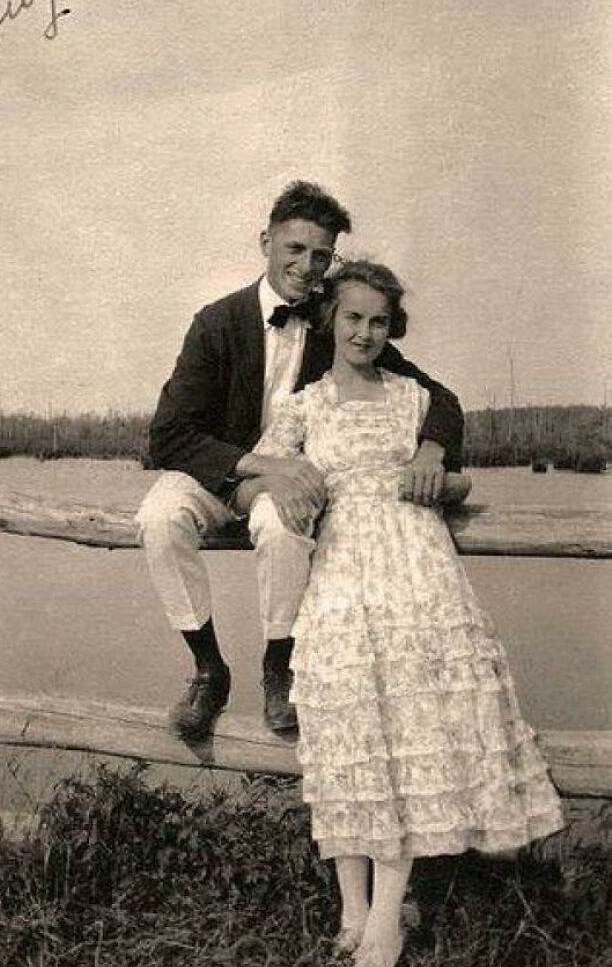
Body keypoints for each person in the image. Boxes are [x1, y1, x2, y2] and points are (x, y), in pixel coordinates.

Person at [252, 259, 564, 967]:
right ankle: (352, 913)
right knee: (349, 731)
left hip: (417, 571)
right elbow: (260, 471)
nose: (365, 333)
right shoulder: (302, 406)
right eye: (353, 318)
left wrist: (440, 474)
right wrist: (281, 485)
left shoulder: (414, 398)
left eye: (379, 321)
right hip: (341, 573)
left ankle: (386, 923)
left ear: (393, 328)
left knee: (409, 728)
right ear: (330, 320)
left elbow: (456, 475)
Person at [135, 183, 464, 739]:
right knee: (158, 519)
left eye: (320, 255)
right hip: (217, 471)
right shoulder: (216, 323)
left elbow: (441, 399)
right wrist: (259, 466)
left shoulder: (334, 321)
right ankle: (208, 669)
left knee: (282, 524)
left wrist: (431, 448)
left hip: (287, 480)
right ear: (266, 242)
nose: (307, 266)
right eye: (294, 249)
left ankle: (278, 666)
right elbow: (167, 436)